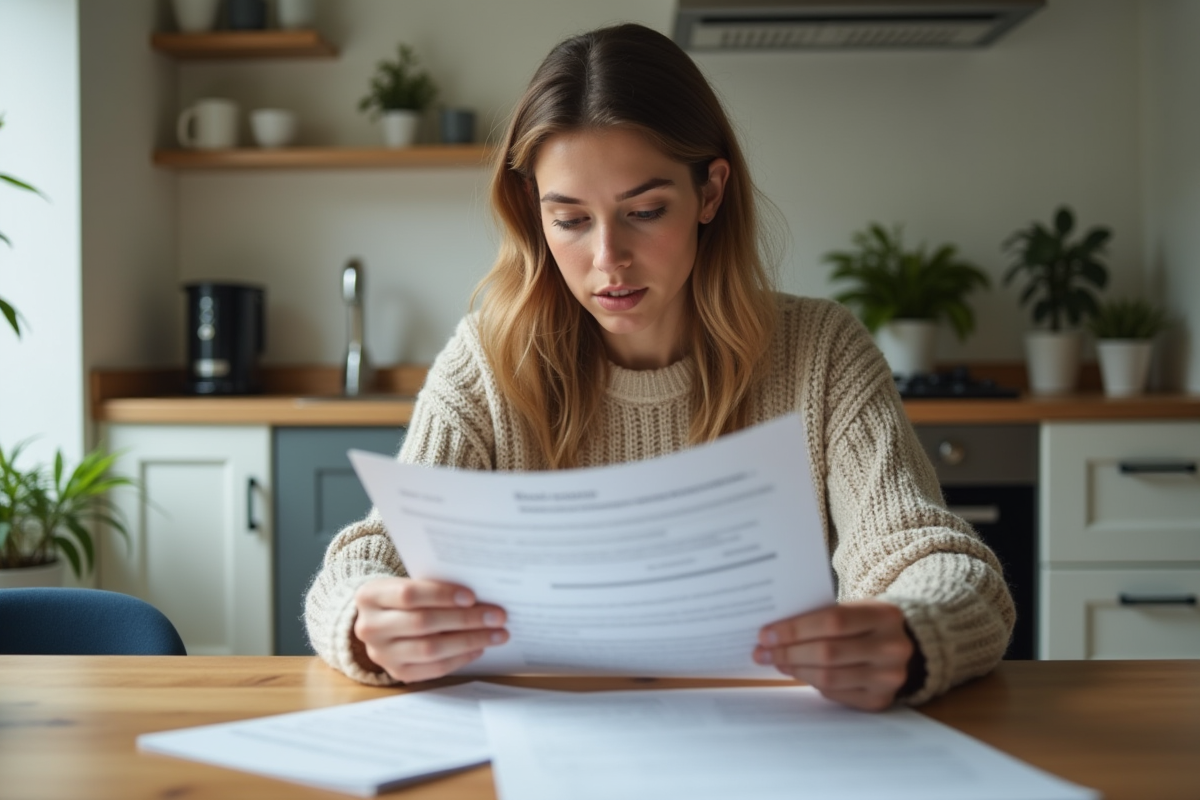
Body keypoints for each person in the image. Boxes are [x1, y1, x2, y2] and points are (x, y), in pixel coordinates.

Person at [305, 22, 1014, 711]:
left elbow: (936, 559)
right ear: (533, 210)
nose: (608, 259)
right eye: (571, 219)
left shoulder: (821, 352)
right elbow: (362, 565)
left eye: (644, 210)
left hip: (768, 747)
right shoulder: (488, 362)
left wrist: (915, 632)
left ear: (709, 192)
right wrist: (368, 625)